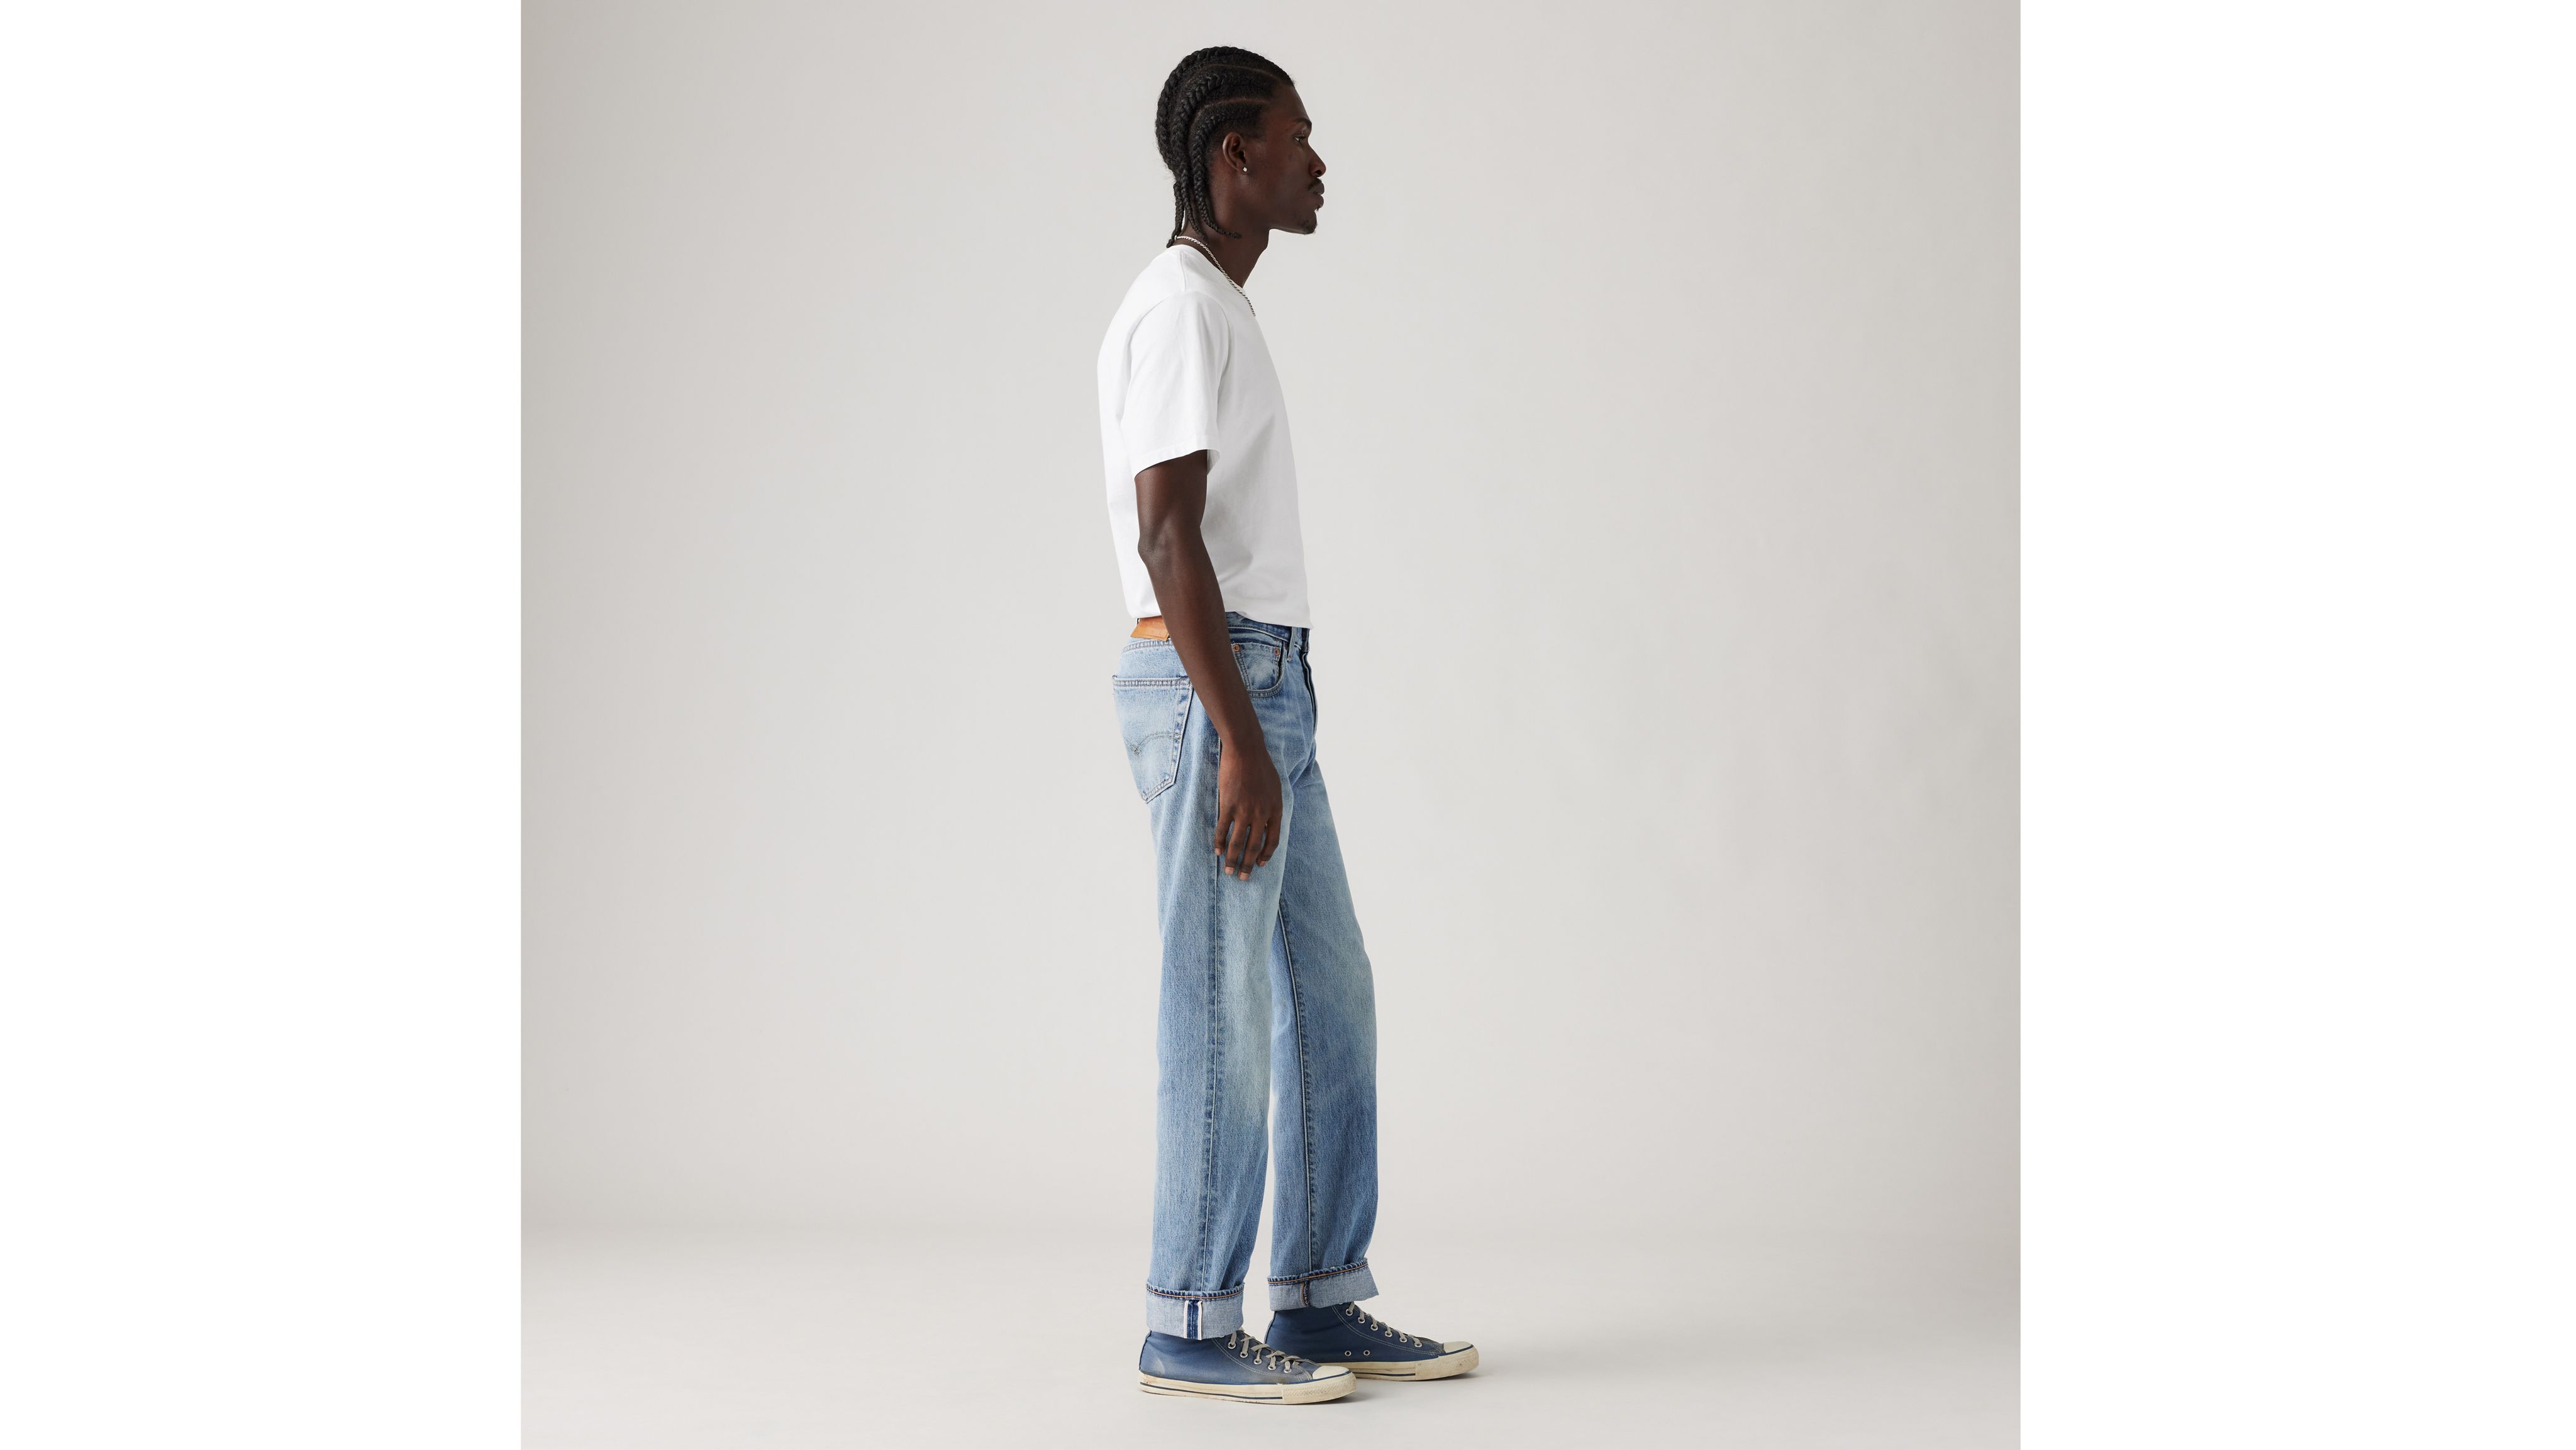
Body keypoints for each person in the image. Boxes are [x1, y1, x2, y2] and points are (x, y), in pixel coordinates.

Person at [1096, 47, 1479, 1405]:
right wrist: (1241, 741)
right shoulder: (1177, 309)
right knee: (1219, 1002)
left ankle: (1314, 1296)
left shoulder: (1220, 308)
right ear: (1231, 156)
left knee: (1327, 989)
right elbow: (1166, 534)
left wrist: (1269, 717)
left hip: (1264, 685)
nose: (1319, 163)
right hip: (1219, 692)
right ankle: (1190, 1320)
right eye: (1296, 137)